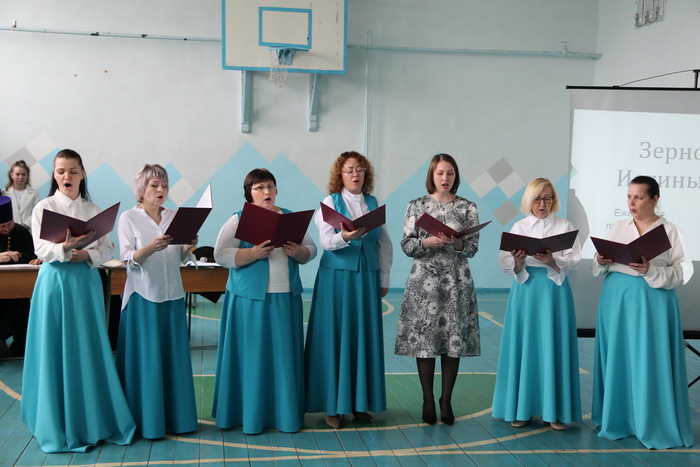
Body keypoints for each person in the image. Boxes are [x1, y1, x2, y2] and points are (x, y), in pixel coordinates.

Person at [21, 149, 136, 453]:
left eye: (73, 171)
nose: (67, 176)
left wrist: (86, 253)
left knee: (86, 345)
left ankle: (90, 418)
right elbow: (40, 250)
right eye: (61, 171)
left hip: (85, 283)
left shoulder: (93, 209)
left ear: (82, 174)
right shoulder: (44, 207)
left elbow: (107, 249)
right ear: (54, 175)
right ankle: (55, 420)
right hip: (55, 284)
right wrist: (65, 248)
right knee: (54, 346)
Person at [592, 175, 693, 449]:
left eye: (638, 197)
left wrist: (652, 269)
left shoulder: (670, 231)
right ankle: (619, 419)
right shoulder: (618, 227)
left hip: (653, 302)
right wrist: (600, 260)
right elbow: (599, 267)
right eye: (629, 197)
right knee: (619, 357)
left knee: (650, 358)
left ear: (655, 199)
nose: (631, 203)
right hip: (616, 301)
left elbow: (684, 270)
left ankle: (651, 420)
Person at [212, 168, 317, 434]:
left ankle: (285, 416)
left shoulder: (290, 218)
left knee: (283, 360)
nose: (266, 192)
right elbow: (220, 254)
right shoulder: (238, 219)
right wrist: (252, 254)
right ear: (249, 193)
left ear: (276, 190)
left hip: (286, 297)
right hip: (249, 299)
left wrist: (299, 251)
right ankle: (249, 415)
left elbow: (311, 250)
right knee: (253, 359)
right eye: (259, 188)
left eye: (270, 186)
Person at [304, 152, 393, 429]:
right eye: (349, 170)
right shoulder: (330, 203)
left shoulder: (374, 204)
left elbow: (384, 243)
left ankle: (357, 403)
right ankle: (333, 405)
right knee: (335, 337)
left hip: (366, 278)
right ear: (339, 175)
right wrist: (345, 236)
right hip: (336, 280)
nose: (355, 174)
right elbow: (325, 242)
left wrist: (384, 277)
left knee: (361, 337)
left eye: (360, 169)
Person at [394, 153, 480, 425]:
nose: (445, 178)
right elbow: (407, 245)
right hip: (424, 283)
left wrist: (456, 243)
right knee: (426, 340)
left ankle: (446, 400)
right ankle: (428, 399)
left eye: (450, 173)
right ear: (431, 175)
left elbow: (472, 248)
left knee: (452, 341)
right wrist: (427, 242)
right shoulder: (416, 206)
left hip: (456, 281)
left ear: (456, 177)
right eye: (440, 173)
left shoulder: (467, 207)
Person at [491, 178, 581, 430]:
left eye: (547, 198)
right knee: (526, 346)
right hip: (526, 290)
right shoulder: (519, 227)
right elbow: (504, 262)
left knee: (554, 345)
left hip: (555, 292)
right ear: (529, 201)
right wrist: (518, 262)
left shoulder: (565, 226)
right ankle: (522, 409)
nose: (542, 204)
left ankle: (555, 412)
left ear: (554, 200)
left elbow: (574, 261)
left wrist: (553, 262)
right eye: (537, 199)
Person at [116, 164, 198, 439]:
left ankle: (179, 420)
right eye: (154, 185)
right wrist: (151, 248)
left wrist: (187, 246)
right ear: (142, 189)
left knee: (174, 361)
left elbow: (179, 257)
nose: (161, 190)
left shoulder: (174, 217)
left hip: (172, 294)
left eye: (164, 185)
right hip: (143, 296)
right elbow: (127, 259)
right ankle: (147, 422)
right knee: (148, 362)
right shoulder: (129, 218)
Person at [0, 195, 40, 358]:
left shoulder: (21, 231)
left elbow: (32, 253)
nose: (6, 228)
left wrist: (14, 257)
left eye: (9, 224)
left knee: (22, 308)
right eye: (2, 226)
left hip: (19, 287)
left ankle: (20, 348)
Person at [2, 160, 40, 231]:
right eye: (17, 174)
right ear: (11, 175)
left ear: (27, 175)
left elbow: (36, 212)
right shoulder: (4, 193)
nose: (20, 177)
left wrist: (26, 225)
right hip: (9, 230)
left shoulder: (34, 193)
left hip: (27, 230)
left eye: (23, 174)